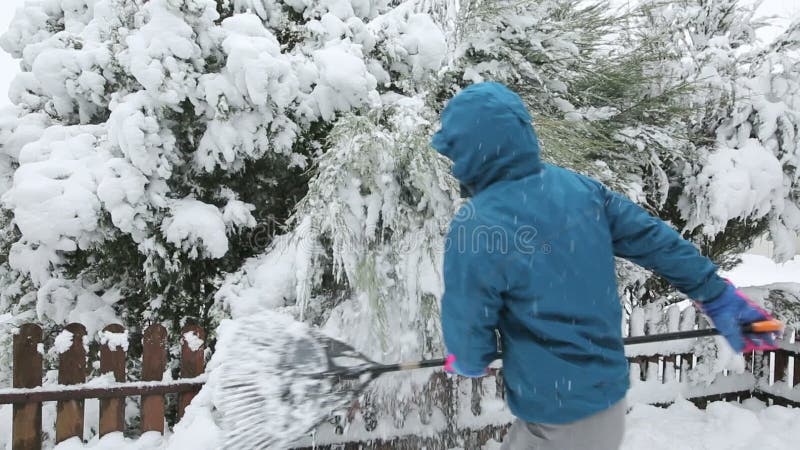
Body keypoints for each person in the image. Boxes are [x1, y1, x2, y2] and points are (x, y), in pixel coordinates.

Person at [431, 82, 779, 450]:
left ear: (473, 150)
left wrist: (469, 357)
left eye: (455, 153)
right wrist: (717, 295)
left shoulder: (477, 222)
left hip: (557, 410)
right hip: (603, 396)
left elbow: (468, 310)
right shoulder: (580, 190)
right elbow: (656, 241)